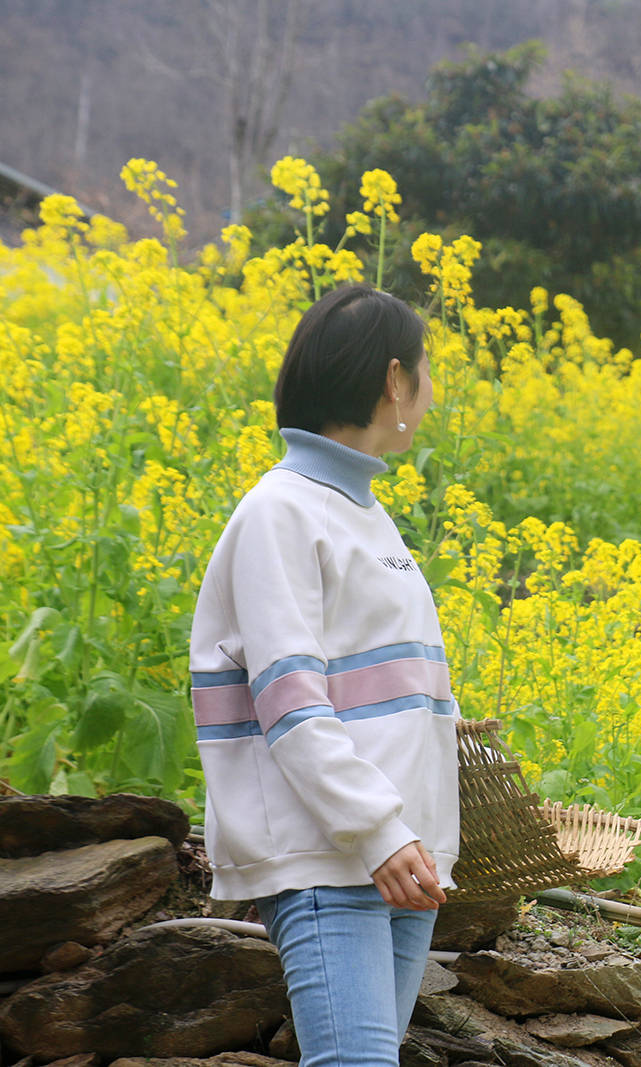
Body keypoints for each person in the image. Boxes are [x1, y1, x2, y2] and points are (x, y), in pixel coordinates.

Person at [190, 284, 460, 1065]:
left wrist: (415, 835)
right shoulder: (283, 510)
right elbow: (290, 699)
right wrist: (378, 828)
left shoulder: (363, 511)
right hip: (332, 851)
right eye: (426, 371)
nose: (431, 392)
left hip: (397, 857)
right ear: (394, 382)